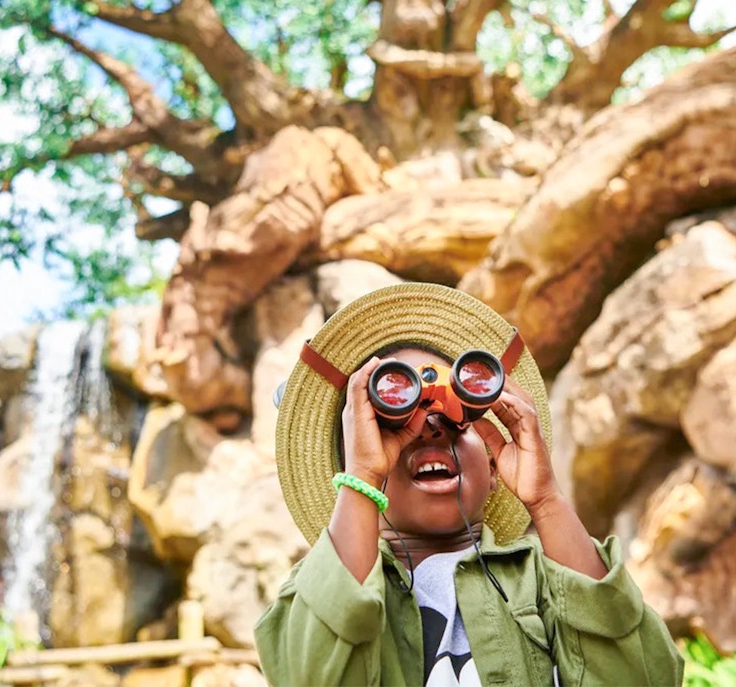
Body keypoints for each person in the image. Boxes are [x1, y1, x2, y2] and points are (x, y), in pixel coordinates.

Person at [254, 282, 684, 686]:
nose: (430, 430)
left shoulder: (547, 578)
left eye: (456, 420)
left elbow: (645, 675)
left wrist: (547, 499)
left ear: (495, 467)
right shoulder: (318, 590)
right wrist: (364, 474)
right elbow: (307, 673)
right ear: (350, 469)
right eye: (394, 424)